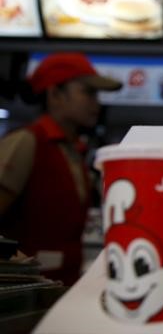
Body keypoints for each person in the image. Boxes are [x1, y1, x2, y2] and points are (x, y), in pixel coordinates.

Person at [0, 52, 122, 285]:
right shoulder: (27, 142)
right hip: (23, 293)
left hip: (56, 290)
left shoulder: (74, 151)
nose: (96, 103)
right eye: (88, 92)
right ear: (55, 94)